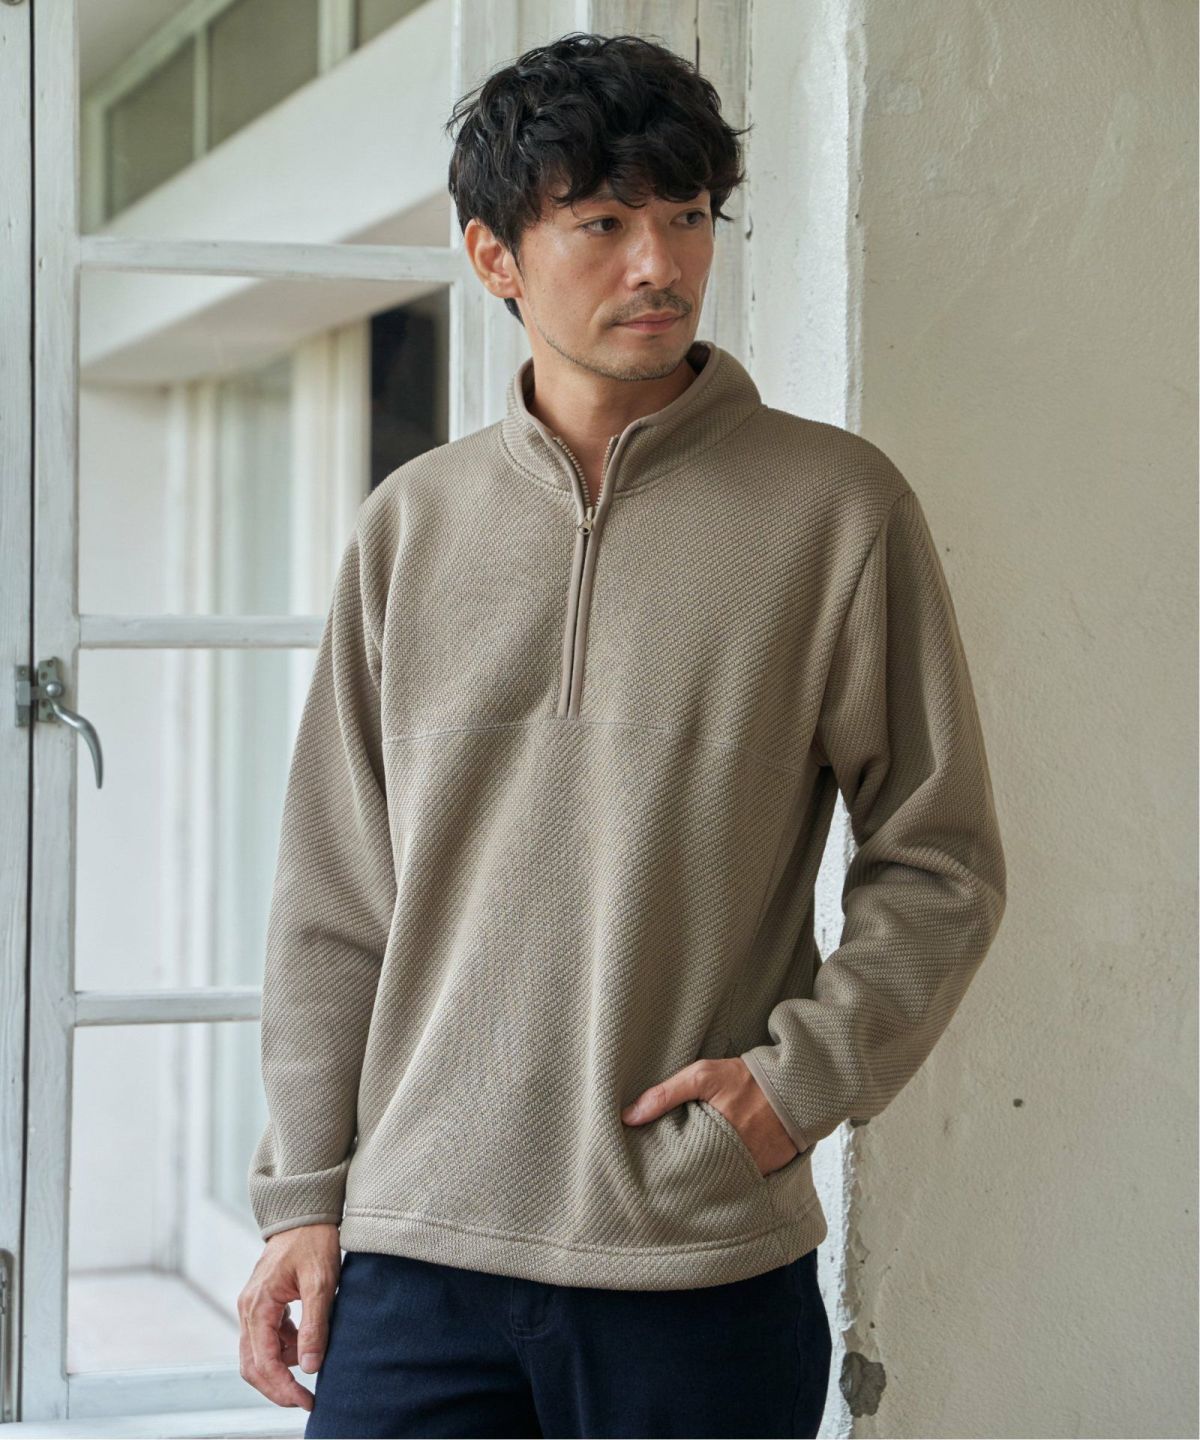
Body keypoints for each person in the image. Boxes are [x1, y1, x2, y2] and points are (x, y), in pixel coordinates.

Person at [237, 31, 1006, 1440]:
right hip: (416, 1250)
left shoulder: (835, 511)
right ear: (496, 257)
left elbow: (940, 859)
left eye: (688, 216)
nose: (660, 263)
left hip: (694, 1263)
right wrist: (302, 1199)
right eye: (602, 223)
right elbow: (334, 899)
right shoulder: (412, 527)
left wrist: (791, 1090)